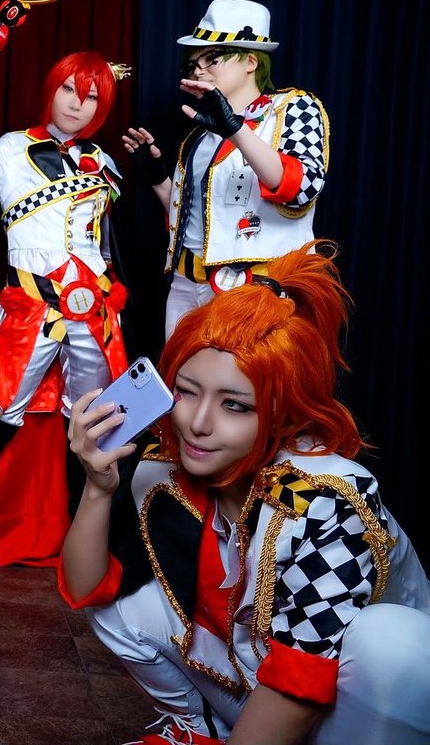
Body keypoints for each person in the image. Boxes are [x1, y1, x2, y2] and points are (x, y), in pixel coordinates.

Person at [60, 242, 430, 744]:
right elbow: (85, 589)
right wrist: (97, 486)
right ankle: (200, 732)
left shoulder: (326, 498)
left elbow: (300, 678)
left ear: (286, 414)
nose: (198, 423)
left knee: (386, 642)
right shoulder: (165, 466)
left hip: (370, 702)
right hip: (264, 674)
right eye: (186, 391)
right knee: (124, 609)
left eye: (235, 405)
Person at [0, 53, 130, 584]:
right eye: (69, 90)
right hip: (28, 308)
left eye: (92, 97)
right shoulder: (13, 148)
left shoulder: (105, 163)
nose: (77, 105)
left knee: (97, 426)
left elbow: (105, 241)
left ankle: (90, 548)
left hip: (95, 311)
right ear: (51, 89)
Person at [123, 0, 328, 339]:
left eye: (212, 58)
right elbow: (193, 221)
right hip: (187, 286)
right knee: (178, 372)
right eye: (193, 64)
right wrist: (158, 177)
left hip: (255, 290)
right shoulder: (198, 136)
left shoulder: (292, 108)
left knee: (245, 374)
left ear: (250, 61)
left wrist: (236, 129)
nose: (198, 70)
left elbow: (301, 189)